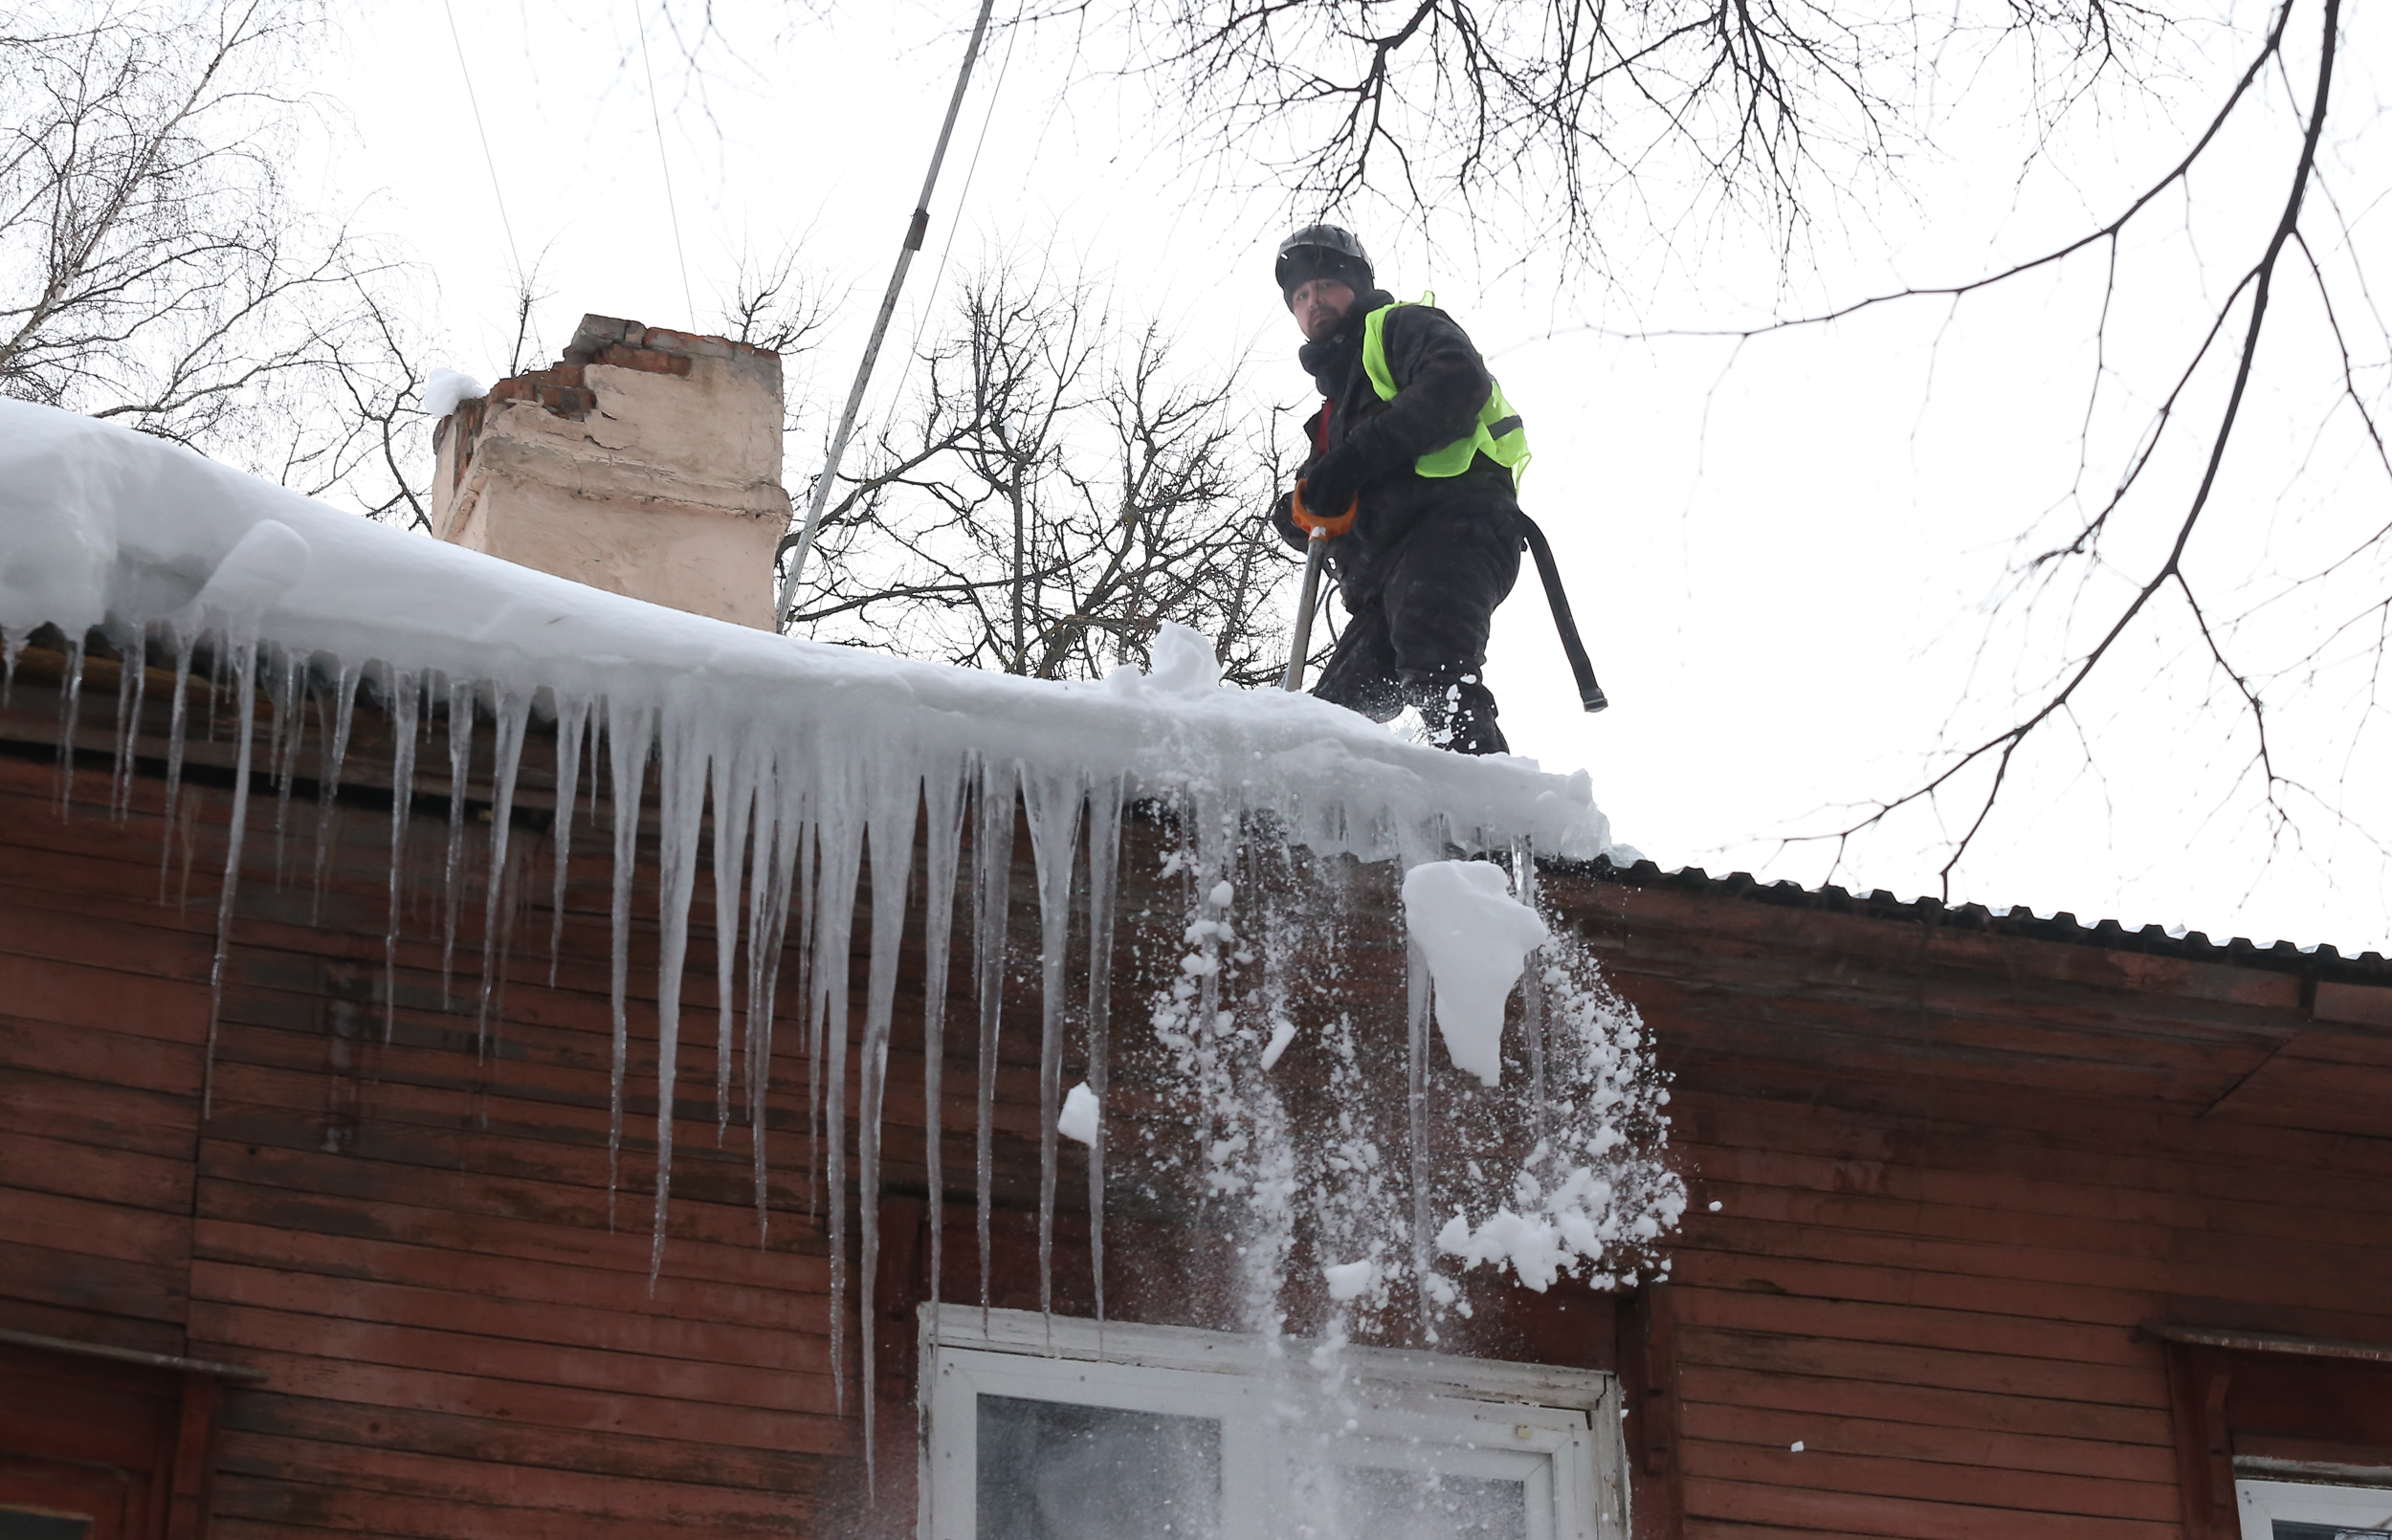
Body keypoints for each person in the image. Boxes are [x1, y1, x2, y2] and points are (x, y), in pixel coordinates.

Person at [1270, 224, 1531, 755]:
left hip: (1457, 527)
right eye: (1299, 295)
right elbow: (1332, 496)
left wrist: (1352, 462)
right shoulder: (1332, 414)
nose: (1312, 301)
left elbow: (1455, 382)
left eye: (1324, 286)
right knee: (1333, 714)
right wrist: (1301, 510)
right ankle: (1323, 821)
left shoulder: (1399, 328)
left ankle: (1493, 817)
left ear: (1357, 286)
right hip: (1383, 578)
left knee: (1437, 667)